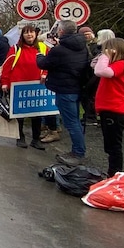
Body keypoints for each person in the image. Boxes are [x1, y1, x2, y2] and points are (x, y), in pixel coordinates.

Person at [36, 20, 90, 166]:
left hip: (64, 89)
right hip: (77, 87)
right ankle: (78, 149)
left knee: (71, 123)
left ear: (61, 31)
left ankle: (78, 152)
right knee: (75, 121)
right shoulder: (82, 47)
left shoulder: (59, 50)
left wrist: (40, 54)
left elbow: (43, 63)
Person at [0, 24, 47, 151]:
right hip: (18, 86)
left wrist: (45, 75)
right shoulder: (15, 49)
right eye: (26, 32)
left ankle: (36, 139)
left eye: (31, 32)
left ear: (36, 34)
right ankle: (20, 137)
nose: (29, 35)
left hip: (37, 86)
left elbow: (49, 64)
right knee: (19, 114)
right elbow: (7, 67)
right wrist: (5, 82)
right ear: (22, 35)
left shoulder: (43, 48)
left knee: (37, 114)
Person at [94, 38, 124, 177]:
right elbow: (94, 66)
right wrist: (101, 57)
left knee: (114, 146)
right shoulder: (116, 65)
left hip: (115, 112)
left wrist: (105, 56)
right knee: (110, 145)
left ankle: (115, 174)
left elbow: (100, 71)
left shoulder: (121, 64)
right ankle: (113, 173)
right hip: (109, 111)